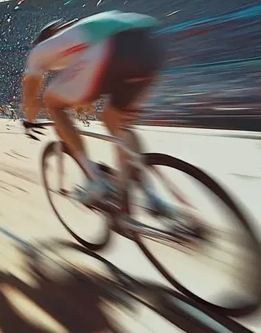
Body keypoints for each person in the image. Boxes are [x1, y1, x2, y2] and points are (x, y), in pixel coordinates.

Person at [20, 11, 167, 218]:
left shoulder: (40, 51)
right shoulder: (77, 37)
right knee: (115, 120)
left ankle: (95, 179)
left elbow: (31, 96)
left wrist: (29, 120)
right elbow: (90, 90)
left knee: (52, 101)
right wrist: (81, 103)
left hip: (112, 48)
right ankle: (151, 194)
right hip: (150, 46)